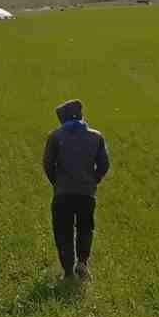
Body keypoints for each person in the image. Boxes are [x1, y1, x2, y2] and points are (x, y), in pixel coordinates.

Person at [43, 98, 110, 279]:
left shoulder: (55, 136)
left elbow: (48, 164)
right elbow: (104, 165)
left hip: (63, 192)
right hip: (86, 193)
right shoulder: (96, 137)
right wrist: (93, 181)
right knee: (85, 227)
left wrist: (56, 183)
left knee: (63, 231)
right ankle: (82, 262)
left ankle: (67, 271)